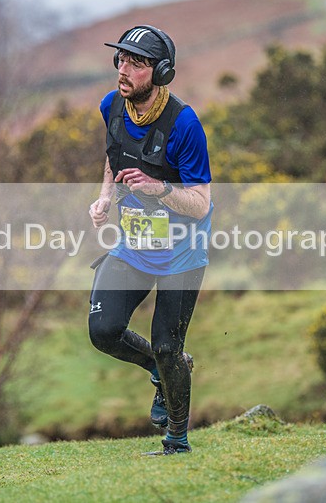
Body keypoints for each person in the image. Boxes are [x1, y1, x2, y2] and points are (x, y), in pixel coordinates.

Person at [87, 25, 212, 455]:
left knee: (166, 344)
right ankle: (159, 371)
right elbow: (113, 154)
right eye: (120, 60)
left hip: (182, 253)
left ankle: (176, 441)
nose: (123, 70)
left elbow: (200, 203)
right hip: (135, 245)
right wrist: (105, 196)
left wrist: (157, 188)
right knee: (103, 331)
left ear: (160, 72)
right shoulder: (112, 105)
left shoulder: (185, 124)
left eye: (135, 63)